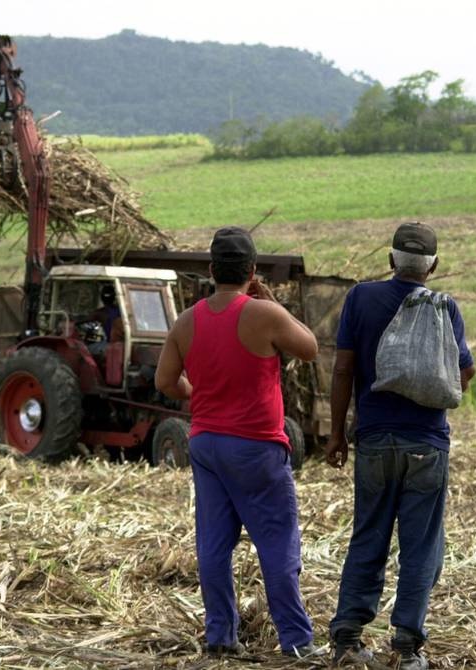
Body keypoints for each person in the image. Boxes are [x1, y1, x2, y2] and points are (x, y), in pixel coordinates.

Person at [154, 226, 323, 659]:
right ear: (251, 271)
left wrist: (198, 395)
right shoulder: (263, 314)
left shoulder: (186, 321)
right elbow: (309, 348)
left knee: (212, 545)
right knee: (277, 542)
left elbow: (165, 382)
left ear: (211, 270)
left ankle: (219, 637)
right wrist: (268, 301)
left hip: (206, 443)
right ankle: (297, 642)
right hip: (256, 446)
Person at [325, 222, 476, 669]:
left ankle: (347, 641)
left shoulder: (361, 298)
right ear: (434, 267)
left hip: (373, 442)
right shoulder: (445, 307)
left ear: (391, 260)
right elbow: (464, 373)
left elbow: (341, 371)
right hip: (427, 446)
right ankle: (407, 648)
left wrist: (337, 433)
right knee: (420, 546)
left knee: (367, 537)